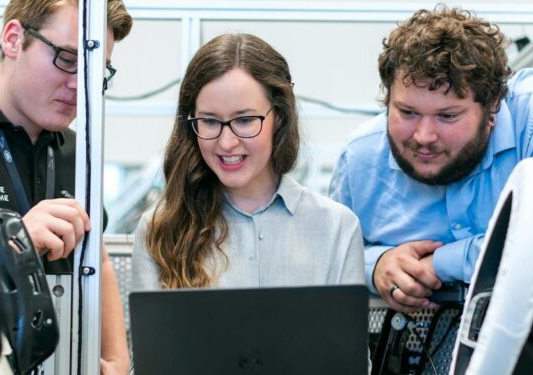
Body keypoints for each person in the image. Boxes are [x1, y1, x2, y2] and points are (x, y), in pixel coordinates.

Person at [329, 5, 533, 313]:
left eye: (447, 116)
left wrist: (440, 264)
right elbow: (331, 258)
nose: (423, 136)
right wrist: (376, 265)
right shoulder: (359, 158)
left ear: (493, 104)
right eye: (407, 112)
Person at [0, 0, 132, 375]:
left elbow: (100, 258)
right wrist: (12, 245)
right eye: (67, 59)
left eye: (95, 70)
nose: (80, 85)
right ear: (13, 39)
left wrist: (116, 356)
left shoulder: (79, 152)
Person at [131, 33, 364, 291]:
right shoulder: (159, 231)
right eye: (209, 121)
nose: (227, 143)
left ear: (280, 118)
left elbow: (343, 332)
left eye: (244, 120)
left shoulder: (337, 229)